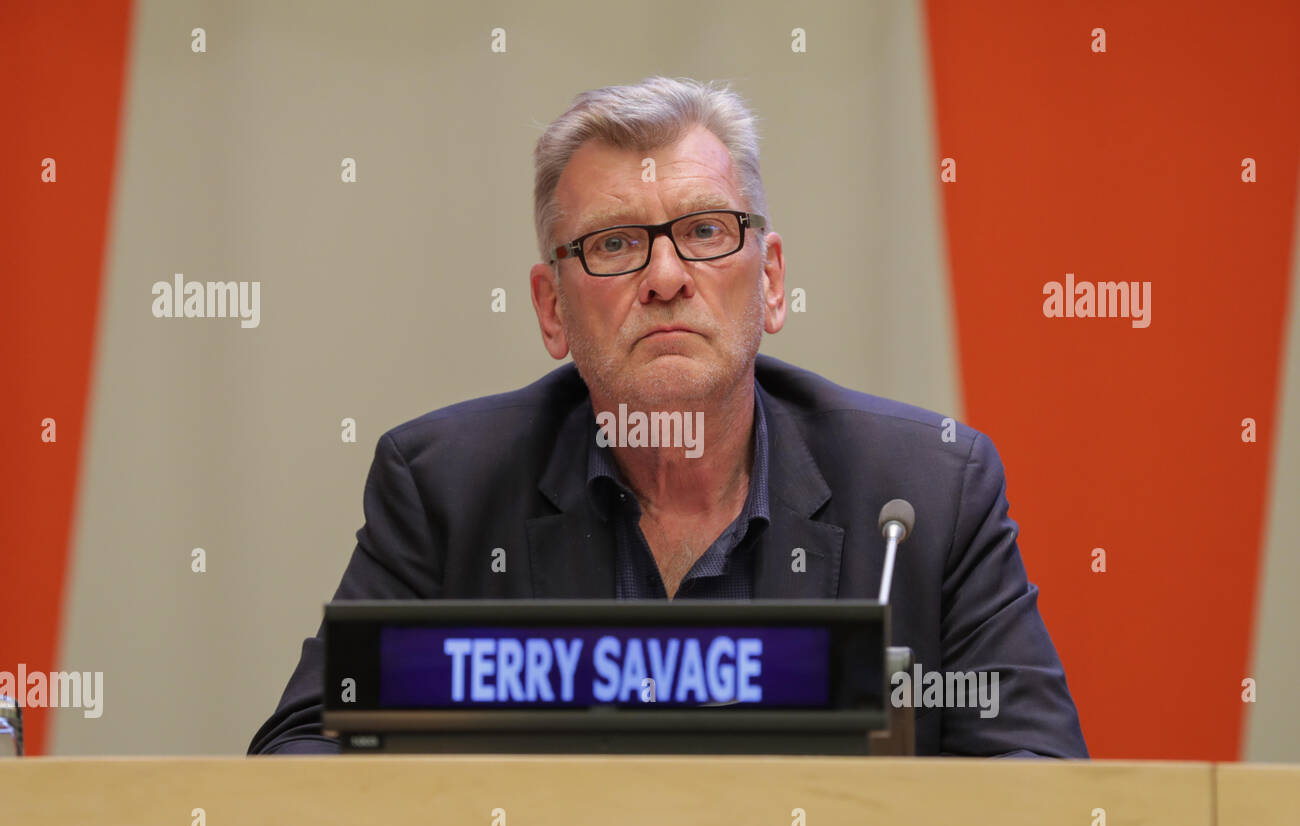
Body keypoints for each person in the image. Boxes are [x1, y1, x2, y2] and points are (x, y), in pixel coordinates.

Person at [249, 76, 1088, 758]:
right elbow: (304, 751)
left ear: (769, 280)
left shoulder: (927, 492)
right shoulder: (445, 489)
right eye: (614, 243)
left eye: (705, 230)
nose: (665, 276)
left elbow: (1039, 781)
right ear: (551, 309)